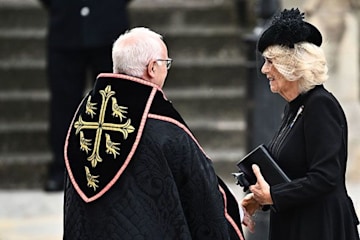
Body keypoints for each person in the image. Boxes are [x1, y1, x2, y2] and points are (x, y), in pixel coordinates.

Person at [62, 27, 245, 240]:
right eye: (166, 64)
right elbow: (202, 192)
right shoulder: (165, 128)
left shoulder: (84, 119)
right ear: (152, 68)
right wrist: (234, 213)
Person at [241, 8, 360, 240]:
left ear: (292, 65)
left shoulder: (321, 105)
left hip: (321, 228)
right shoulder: (295, 106)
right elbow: (293, 173)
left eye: (270, 61)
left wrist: (274, 195)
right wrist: (260, 198)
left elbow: (326, 177)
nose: (264, 70)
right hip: (298, 223)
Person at [38, 0, 132, 191]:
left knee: (114, 103)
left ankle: (115, 168)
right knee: (63, 105)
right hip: (66, 26)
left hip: (109, 26)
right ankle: (63, 169)